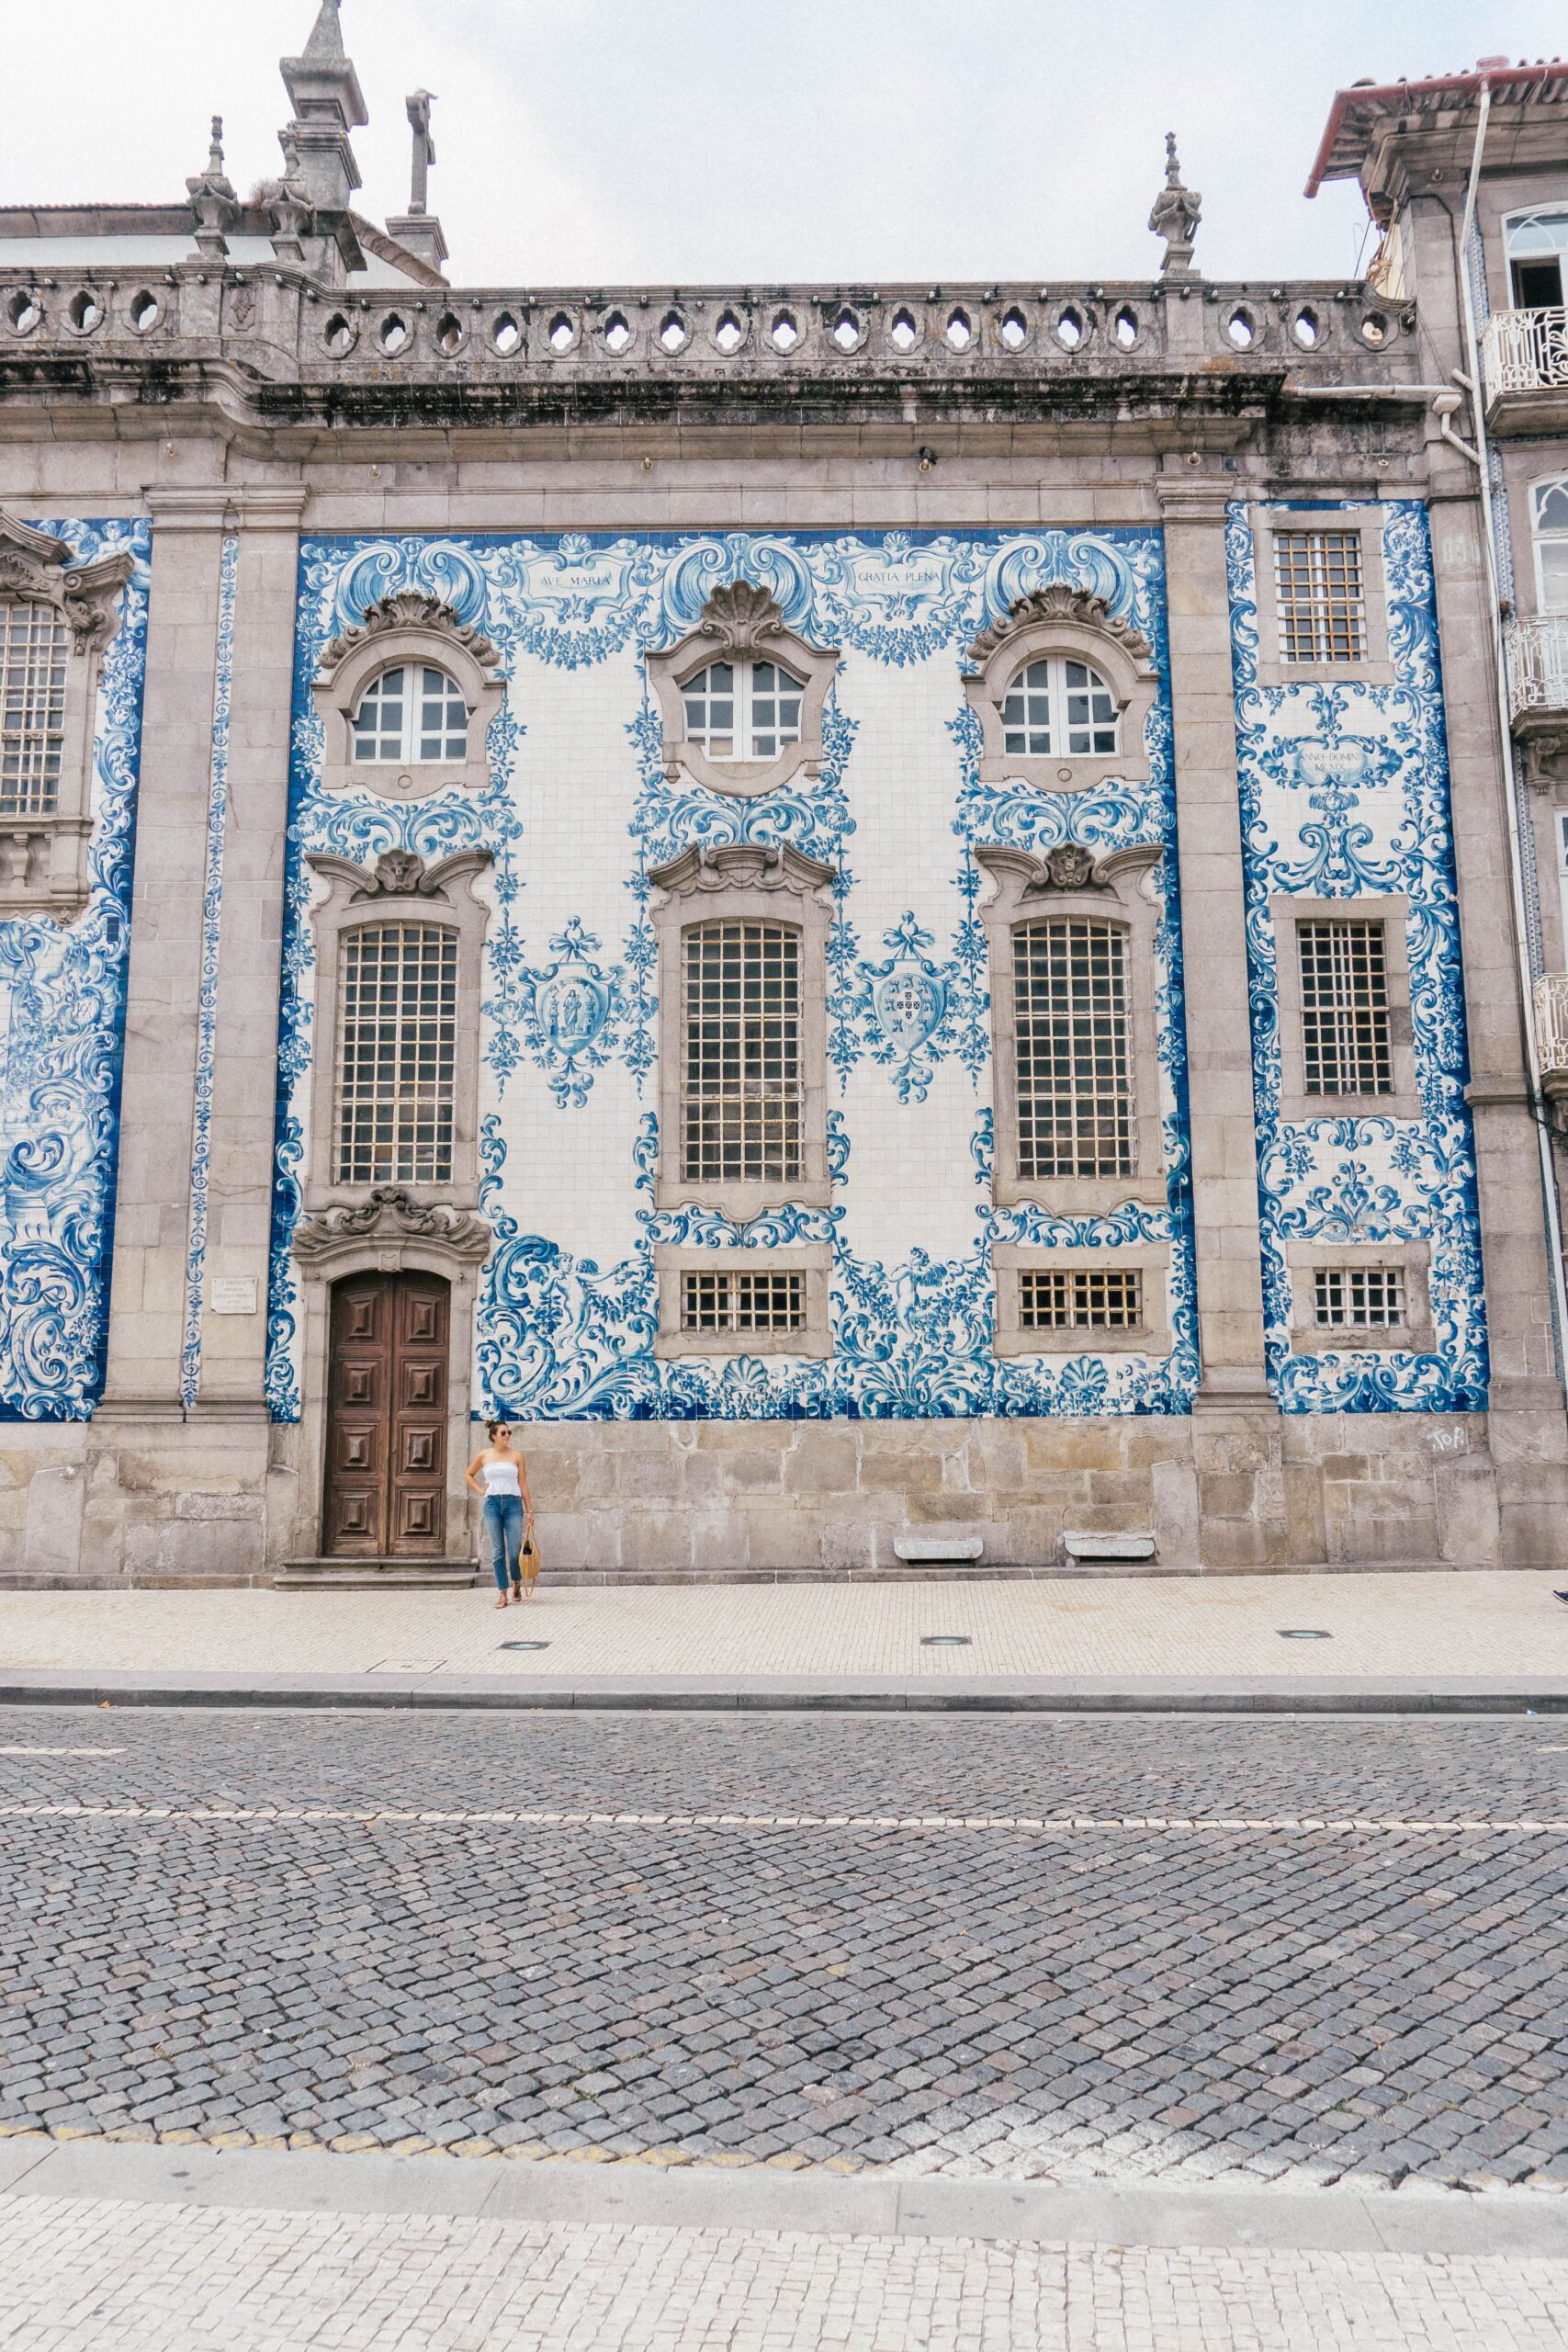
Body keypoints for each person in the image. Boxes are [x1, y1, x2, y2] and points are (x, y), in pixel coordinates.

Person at [464, 1419, 536, 1608]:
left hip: (513, 1504)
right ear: (494, 1436)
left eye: (509, 1433)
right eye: (503, 1433)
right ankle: (503, 1593)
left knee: (514, 1551)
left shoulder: (517, 1456)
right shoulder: (484, 1455)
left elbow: (523, 1484)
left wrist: (529, 1510)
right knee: (497, 1552)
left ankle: (517, 1582)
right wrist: (480, 1489)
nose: (507, 1436)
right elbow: (468, 1474)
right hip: (492, 1504)